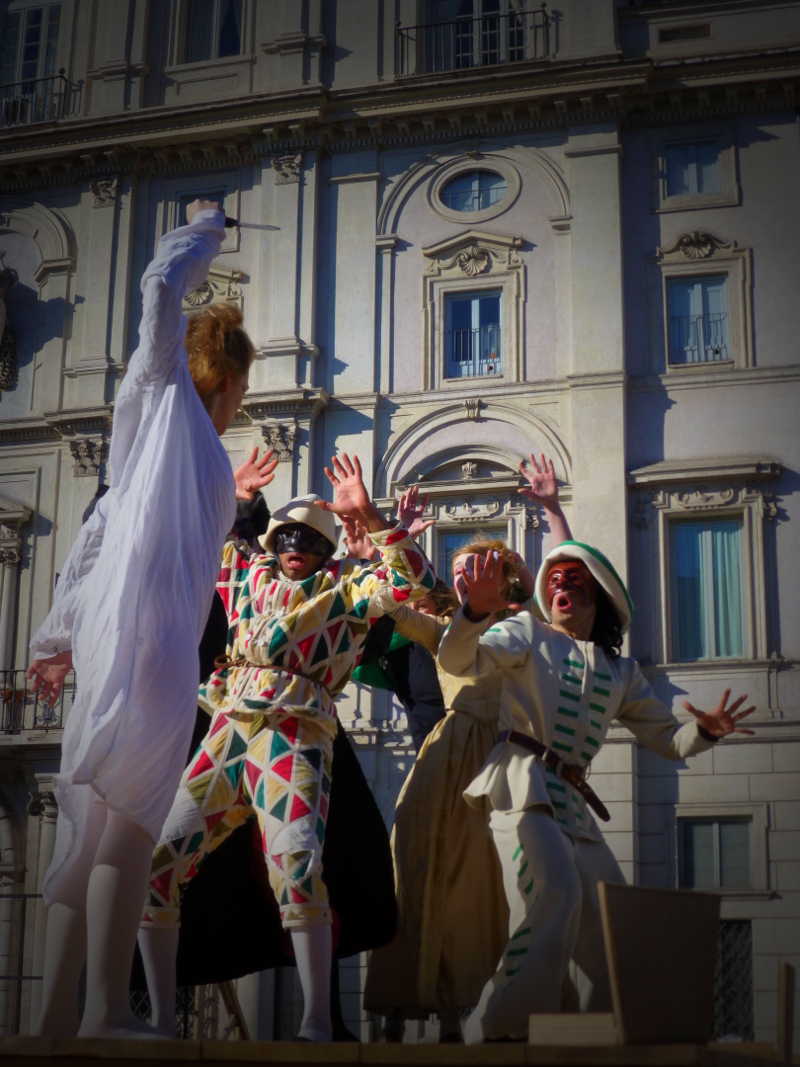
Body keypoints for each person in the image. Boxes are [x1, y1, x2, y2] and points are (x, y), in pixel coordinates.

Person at [26, 200, 278, 1038]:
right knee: (129, 821)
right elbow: (160, 284)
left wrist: (57, 637)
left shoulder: (175, 447)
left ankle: (56, 1012)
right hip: (155, 642)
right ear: (232, 379)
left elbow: (99, 530)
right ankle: (102, 1009)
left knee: (93, 824)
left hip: (118, 635)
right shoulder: (171, 395)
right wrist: (205, 230)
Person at [137, 454, 435, 1042]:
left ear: (327, 550)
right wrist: (238, 499)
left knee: (296, 865)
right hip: (228, 731)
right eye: (287, 534)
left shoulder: (349, 591)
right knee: (160, 864)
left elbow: (413, 578)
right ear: (274, 542)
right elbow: (199, 533)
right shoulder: (244, 572)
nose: (296, 543)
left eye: (310, 537)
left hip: (295, 732)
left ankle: (318, 1020)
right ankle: (159, 1020)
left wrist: (369, 515)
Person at [437, 539, 756, 1043]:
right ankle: (498, 1028)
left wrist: (707, 731)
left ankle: (594, 1035)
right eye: (555, 580)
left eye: (574, 580)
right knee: (555, 893)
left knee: (615, 931)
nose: (560, 585)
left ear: (599, 596)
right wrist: (474, 611)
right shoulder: (524, 630)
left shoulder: (621, 673)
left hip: (574, 809)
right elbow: (460, 661)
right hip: (522, 789)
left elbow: (669, 741)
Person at [365, 456, 572, 1043]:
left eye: (473, 572)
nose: (460, 584)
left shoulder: (527, 626)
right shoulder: (446, 625)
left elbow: (567, 570)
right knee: (415, 873)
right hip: (441, 763)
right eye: (457, 575)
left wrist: (553, 509)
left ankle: (465, 1013)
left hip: (500, 764)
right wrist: (376, 556)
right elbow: (396, 605)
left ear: (502, 578)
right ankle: (395, 1012)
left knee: (480, 891)